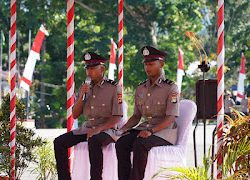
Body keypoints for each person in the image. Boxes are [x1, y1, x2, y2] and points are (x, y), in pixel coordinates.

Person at [54, 52, 123, 180]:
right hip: (88, 128)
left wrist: (98, 129)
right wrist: (81, 96)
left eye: (92, 68)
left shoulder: (114, 88)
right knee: (59, 142)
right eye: (87, 68)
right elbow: (75, 114)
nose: (89, 72)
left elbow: (117, 117)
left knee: (94, 140)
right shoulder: (84, 88)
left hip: (108, 130)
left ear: (102, 69)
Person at [115, 46, 180, 180]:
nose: (147, 67)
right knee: (121, 143)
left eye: (151, 64)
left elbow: (171, 118)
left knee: (140, 143)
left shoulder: (171, 87)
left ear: (161, 64)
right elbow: (136, 116)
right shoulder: (141, 88)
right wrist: (123, 129)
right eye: (145, 64)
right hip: (146, 129)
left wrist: (151, 131)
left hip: (164, 132)